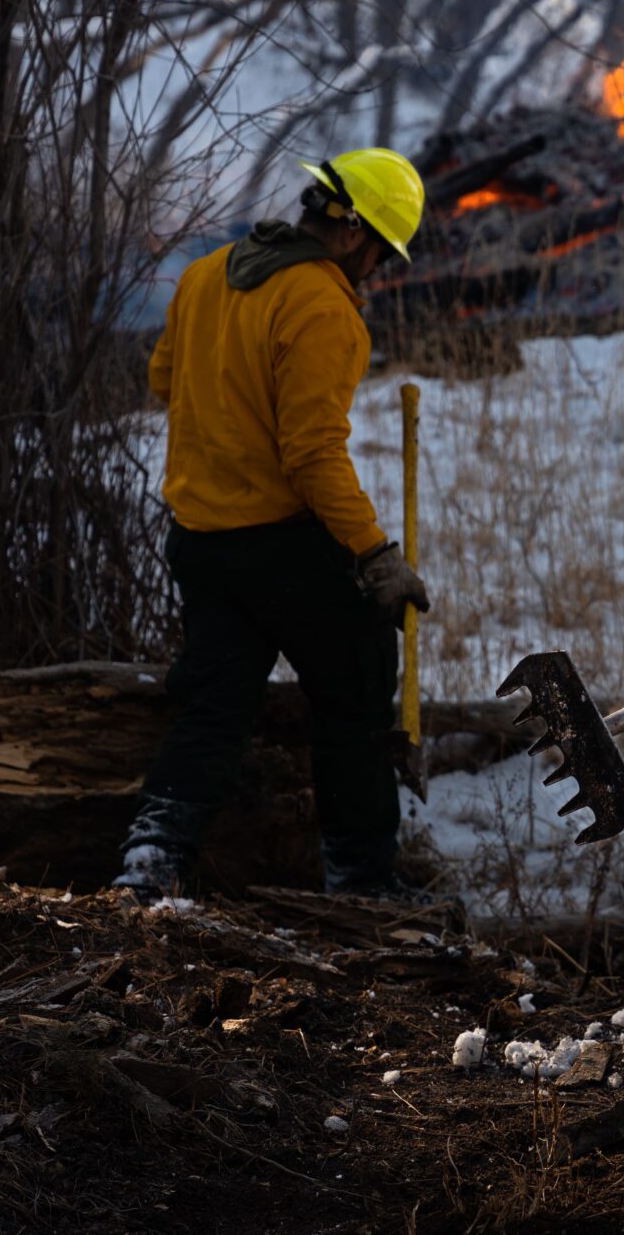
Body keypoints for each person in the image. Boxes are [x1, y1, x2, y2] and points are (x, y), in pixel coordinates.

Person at [115, 149, 433, 904]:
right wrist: (375, 555)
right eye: (381, 254)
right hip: (283, 545)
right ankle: (362, 882)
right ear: (353, 233)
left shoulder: (204, 275)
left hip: (200, 542)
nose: (376, 271)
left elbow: (162, 380)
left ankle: (151, 861)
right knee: (356, 689)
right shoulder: (323, 307)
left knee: (214, 705)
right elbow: (312, 455)